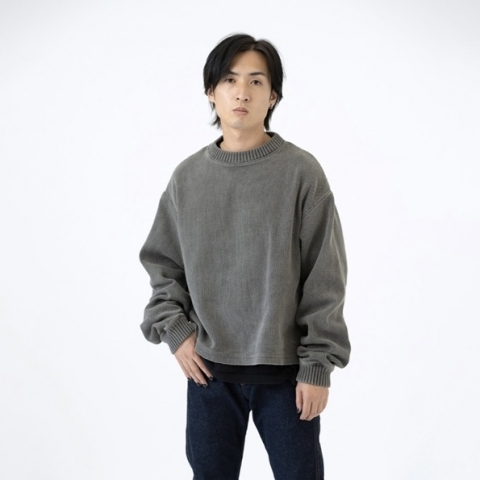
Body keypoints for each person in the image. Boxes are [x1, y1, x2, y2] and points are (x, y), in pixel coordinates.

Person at [139, 33, 351, 480]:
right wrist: (176, 332)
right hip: (208, 373)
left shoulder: (301, 173)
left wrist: (317, 365)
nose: (242, 92)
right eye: (230, 80)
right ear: (211, 91)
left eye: (256, 81)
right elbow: (163, 265)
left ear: (273, 95)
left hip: (287, 375)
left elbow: (325, 276)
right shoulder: (187, 178)